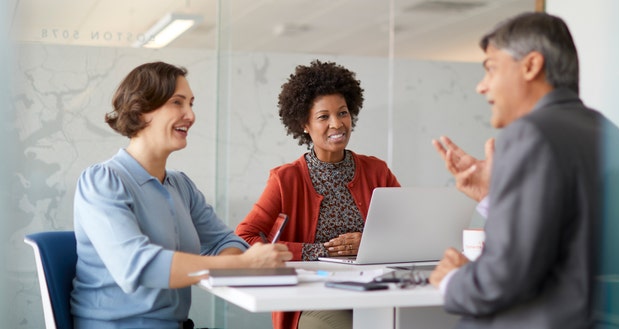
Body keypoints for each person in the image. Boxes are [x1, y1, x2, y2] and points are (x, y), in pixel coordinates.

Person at [429, 12, 619, 328]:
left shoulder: (531, 133)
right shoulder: (609, 132)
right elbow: (564, 245)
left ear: (531, 66)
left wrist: (453, 280)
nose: (481, 86)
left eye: (491, 69)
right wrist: (496, 194)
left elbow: (502, 280)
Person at [71, 62, 293, 329]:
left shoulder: (180, 185)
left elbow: (225, 241)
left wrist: (238, 260)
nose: (190, 115)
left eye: (191, 103)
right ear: (141, 111)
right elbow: (137, 266)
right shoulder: (102, 182)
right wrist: (239, 264)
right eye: (178, 102)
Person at [235, 60, 400, 329]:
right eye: (324, 117)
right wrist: (316, 252)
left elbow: (406, 231)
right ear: (304, 124)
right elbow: (245, 238)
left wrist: (370, 243)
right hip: (314, 297)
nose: (337, 124)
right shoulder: (285, 179)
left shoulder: (377, 171)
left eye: (343, 113)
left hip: (375, 290)